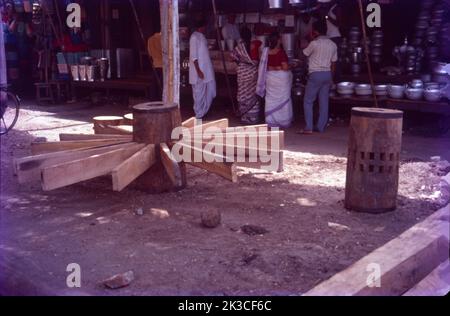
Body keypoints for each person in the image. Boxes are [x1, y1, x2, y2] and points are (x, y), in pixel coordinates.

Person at [300, 19, 337, 134]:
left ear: (315, 31)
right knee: (324, 102)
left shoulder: (314, 43)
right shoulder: (333, 44)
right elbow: (333, 63)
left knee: (308, 101)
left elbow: (304, 54)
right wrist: (331, 78)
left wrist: (309, 38)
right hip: (327, 74)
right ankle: (320, 127)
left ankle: (309, 127)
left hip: (315, 74)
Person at [256, 32, 293, 129]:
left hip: (270, 78)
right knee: (282, 99)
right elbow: (285, 67)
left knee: (271, 99)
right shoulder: (280, 52)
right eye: (280, 39)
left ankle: (271, 121)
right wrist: (292, 65)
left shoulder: (265, 52)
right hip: (280, 79)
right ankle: (282, 121)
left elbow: (263, 64)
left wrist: (273, 67)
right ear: (278, 41)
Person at [231, 27, 261, 124]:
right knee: (252, 94)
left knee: (243, 94)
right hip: (252, 73)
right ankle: (252, 118)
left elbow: (232, 56)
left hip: (242, 72)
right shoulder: (255, 45)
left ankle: (244, 117)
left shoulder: (239, 47)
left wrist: (241, 62)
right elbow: (257, 61)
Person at [189, 19, 216, 119]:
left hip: (206, 71)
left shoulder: (202, 36)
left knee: (209, 91)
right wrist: (198, 71)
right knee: (198, 94)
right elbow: (194, 56)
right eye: (204, 26)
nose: (205, 28)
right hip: (198, 72)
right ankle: (198, 113)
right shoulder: (194, 37)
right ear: (201, 27)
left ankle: (203, 111)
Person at [147, 31, 163, 99]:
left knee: (154, 85)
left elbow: (150, 53)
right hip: (163, 66)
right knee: (161, 87)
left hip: (155, 65)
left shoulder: (150, 39)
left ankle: (153, 101)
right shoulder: (164, 39)